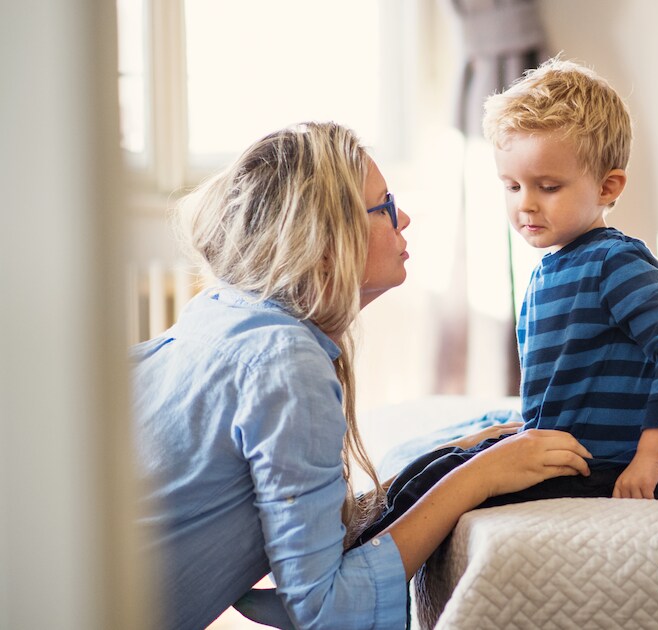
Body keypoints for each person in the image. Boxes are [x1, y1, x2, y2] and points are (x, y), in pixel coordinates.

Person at [130, 121, 593, 630]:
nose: (406, 218)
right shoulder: (284, 361)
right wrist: (479, 478)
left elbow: (309, 529)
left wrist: (449, 460)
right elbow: (326, 610)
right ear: (325, 242)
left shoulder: (220, 313)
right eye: (385, 206)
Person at [353, 58, 658, 541]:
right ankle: (340, 546)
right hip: (557, 451)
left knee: (445, 486)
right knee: (437, 465)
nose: (526, 204)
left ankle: (351, 564)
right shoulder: (550, 268)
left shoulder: (614, 263)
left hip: (599, 465)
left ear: (607, 187)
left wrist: (648, 459)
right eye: (513, 186)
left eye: (548, 187)